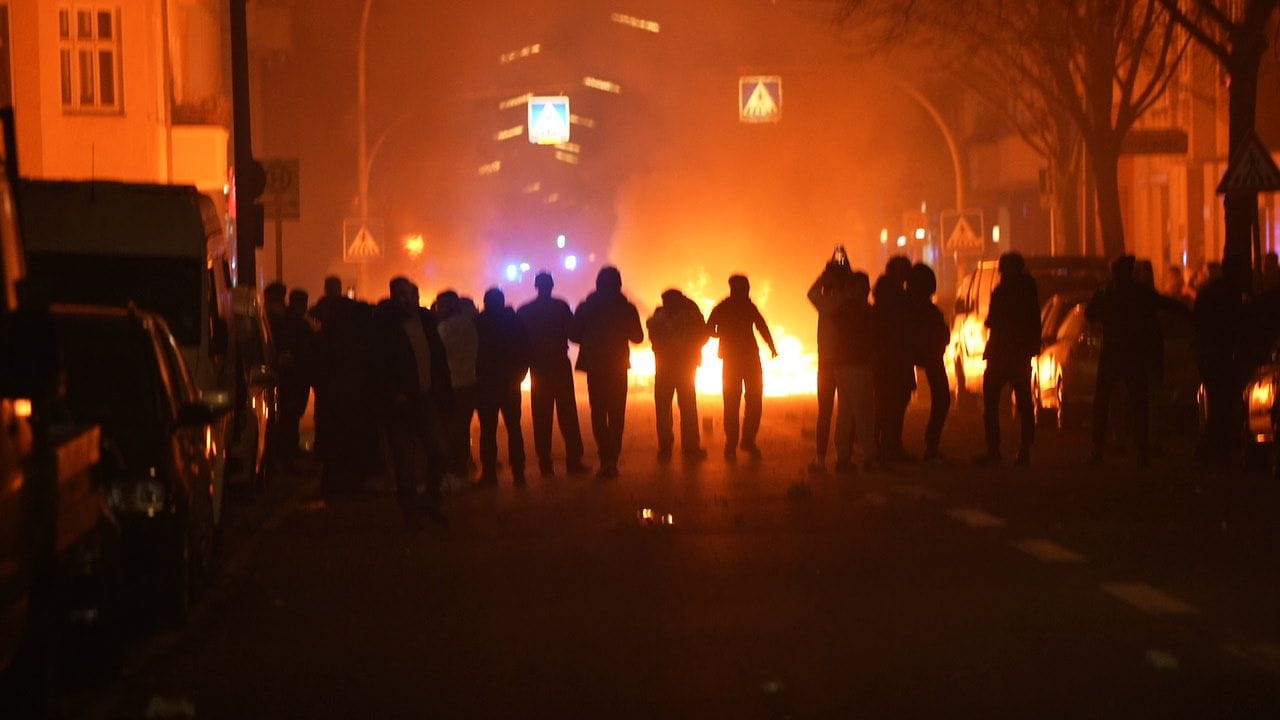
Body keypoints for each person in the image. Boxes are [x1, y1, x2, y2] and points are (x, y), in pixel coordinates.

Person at [372, 277, 452, 527]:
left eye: (414, 296)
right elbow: (377, 364)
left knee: (439, 453)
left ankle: (429, 500)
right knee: (404, 462)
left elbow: (438, 358)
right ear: (395, 297)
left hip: (426, 398)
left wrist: (442, 389)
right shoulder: (384, 326)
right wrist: (392, 392)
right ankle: (411, 513)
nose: (411, 301)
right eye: (405, 296)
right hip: (400, 404)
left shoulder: (426, 322)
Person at [1085, 255, 1164, 466]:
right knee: (1139, 402)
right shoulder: (1139, 292)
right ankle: (1142, 449)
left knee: (1103, 401)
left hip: (1112, 353)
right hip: (1133, 353)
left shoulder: (1107, 292)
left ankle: (1097, 448)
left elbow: (1089, 314)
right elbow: (1162, 304)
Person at [569, 266, 643, 479]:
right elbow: (637, 337)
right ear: (618, 284)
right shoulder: (627, 308)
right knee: (617, 413)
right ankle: (612, 460)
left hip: (595, 366)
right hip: (617, 365)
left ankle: (604, 458)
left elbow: (573, 335)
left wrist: (591, 338)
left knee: (599, 412)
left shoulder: (586, 307)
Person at [309, 275, 379, 493]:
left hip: (334, 394)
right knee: (348, 436)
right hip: (349, 395)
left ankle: (334, 481)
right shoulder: (359, 336)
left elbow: (318, 363)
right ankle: (351, 480)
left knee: (333, 437)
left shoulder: (326, 332)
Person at [517, 272, 590, 477]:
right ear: (551, 285)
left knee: (541, 415)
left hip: (538, 366)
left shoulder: (525, 310)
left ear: (536, 286)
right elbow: (574, 333)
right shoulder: (560, 306)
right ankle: (574, 460)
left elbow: (519, 340)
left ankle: (545, 463)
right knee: (568, 413)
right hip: (559, 363)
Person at [975, 252, 1040, 467]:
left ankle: (994, 449)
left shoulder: (1002, 291)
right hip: (1020, 354)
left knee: (992, 404)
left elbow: (993, 320)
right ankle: (1025, 450)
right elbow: (1034, 321)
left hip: (1001, 353)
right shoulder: (1030, 291)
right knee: (1024, 403)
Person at [708, 274, 778, 461]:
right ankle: (741, 442)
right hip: (745, 359)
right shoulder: (743, 306)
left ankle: (736, 444)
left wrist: (719, 333)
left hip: (737, 360)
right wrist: (771, 346)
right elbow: (761, 326)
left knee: (735, 403)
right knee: (749, 401)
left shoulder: (724, 307)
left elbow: (708, 330)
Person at [1194, 254, 1251, 465]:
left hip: (1209, 355)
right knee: (1223, 404)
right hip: (1222, 355)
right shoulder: (1230, 294)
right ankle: (1211, 451)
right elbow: (1238, 324)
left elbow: (1198, 322)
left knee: (1219, 404)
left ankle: (1215, 451)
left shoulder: (1209, 292)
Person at [475, 287, 530, 485]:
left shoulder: (479, 323)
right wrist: (520, 376)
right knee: (514, 428)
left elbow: (474, 353)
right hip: (510, 383)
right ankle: (519, 473)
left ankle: (489, 474)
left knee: (488, 430)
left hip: (487, 384)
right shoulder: (514, 321)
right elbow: (525, 349)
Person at [647, 288, 710, 462]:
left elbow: (652, 335)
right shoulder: (690, 313)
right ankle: (690, 447)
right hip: (685, 367)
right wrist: (691, 349)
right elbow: (704, 335)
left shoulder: (660, 315)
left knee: (663, 407)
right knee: (688, 406)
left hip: (665, 367)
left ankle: (665, 448)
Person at [807, 251, 855, 471]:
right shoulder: (848, 300)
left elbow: (811, 291)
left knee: (825, 412)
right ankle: (844, 459)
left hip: (827, 364)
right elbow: (855, 286)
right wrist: (846, 268)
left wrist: (826, 272)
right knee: (847, 412)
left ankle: (821, 459)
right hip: (846, 363)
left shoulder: (824, 301)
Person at [831, 271, 878, 473]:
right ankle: (870, 458)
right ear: (851, 289)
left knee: (846, 414)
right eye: (861, 286)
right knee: (864, 413)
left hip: (844, 366)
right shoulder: (860, 311)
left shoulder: (842, 310)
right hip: (857, 366)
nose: (865, 289)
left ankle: (843, 459)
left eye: (866, 285)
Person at [872, 259, 916, 464]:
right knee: (892, 405)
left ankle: (887, 447)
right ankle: (887, 448)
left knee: (890, 404)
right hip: (893, 359)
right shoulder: (896, 298)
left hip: (892, 358)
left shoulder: (887, 296)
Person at [906, 263, 950, 462]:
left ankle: (930, 445)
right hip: (928, 355)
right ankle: (930, 445)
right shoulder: (922, 309)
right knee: (941, 399)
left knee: (941, 399)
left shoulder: (916, 307)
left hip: (926, 355)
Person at [434, 290, 479, 480]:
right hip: (469, 382)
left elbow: (437, 355)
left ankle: (455, 469)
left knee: (450, 429)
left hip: (452, 385)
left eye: (441, 305)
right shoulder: (471, 325)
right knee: (462, 427)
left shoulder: (445, 328)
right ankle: (463, 464)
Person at [275, 288, 314, 467]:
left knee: (291, 415)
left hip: (294, 377)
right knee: (291, 415)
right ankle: (288, 451)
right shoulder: (296, 324)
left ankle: (289, 450)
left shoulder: (288, 321)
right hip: (295, 378)